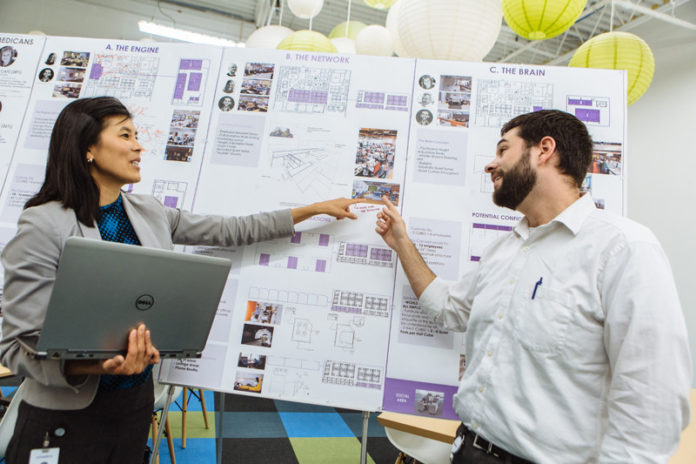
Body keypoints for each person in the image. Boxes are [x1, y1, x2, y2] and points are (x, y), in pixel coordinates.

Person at [0, 96, 362, 463]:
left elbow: (232, 230)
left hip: (135, 404)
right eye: (125, 135)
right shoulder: (43, 224)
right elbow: (15, 345)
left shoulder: (149, 211)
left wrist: (312, 210)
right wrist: (92, 365)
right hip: (65, 414)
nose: (139, 145)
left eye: (137, 135)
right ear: (87, 147)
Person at [375, 109, 691, 463]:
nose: (490, 165)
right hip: (468, 450)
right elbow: (449, 308)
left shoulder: (622, 248)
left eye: (502, 150)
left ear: (544, 150)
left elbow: (652, 402)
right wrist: (402, 242)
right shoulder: (503, 249)